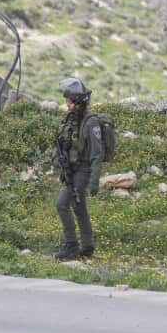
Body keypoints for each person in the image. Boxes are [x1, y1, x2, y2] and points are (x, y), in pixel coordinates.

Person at [53, 77, 104, 260]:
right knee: (79, 206)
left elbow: (97, 154)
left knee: (61, 204)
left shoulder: (90, 122)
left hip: (83, 170)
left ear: (78, 103)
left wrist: (94, 182)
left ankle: (72, 245)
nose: (67, 105)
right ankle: (88, 245)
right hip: (71, 169)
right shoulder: (70, 119)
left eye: (69, 102)